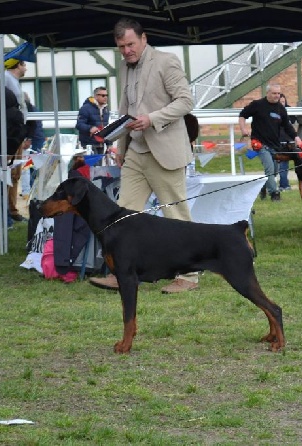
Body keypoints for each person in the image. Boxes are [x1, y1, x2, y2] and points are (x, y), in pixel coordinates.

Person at [89, 18, 198, 294]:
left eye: (130, 44)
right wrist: (121, 149)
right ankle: (122, 273)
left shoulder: (167, 61)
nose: (126, 51)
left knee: (175, 215)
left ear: (144, 38)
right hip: (135, 152)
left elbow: (186, 101)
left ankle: (189, 275)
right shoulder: (123, 68)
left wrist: (152, 119)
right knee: (122, 217)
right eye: (121, 46)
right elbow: (125, 111)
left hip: (165, 151)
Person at [238, 84, 301, 201]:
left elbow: (287, 125)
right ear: (267, 93)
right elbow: (242, 115)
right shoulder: (257, 105)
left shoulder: (280, 108)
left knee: (274, 171)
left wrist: (296, 137)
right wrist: (243, 129)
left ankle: (263, 187)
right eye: (274, 93)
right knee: (270, 169)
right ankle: (275, 194)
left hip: (275, 145)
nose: (277, 96)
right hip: (259, 144)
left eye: (278, 93)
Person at [3, 59, 29, 222]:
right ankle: (7, 209)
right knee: (9, 173)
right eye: (24, 64)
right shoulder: (6, 78)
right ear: (17, 65)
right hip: (11, 132)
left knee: (16, 174)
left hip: (18, 131)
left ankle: (12, 208)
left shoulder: (13, 81)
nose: (26, 68)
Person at [76, 86, 110, 155]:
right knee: (93, 165)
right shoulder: (85, 108)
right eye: (103, 95)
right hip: (89, 144)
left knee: (99, 165)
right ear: (96, 96)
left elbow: (106, 128)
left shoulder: (105, 109)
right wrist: (90, 128)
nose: (105, 97)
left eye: (107, 95)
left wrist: (109, 144)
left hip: (101, 144)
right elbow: (79, 125)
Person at [277, 93, 297, 191]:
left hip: (287, 142)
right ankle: (274, 185)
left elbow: (293, 121)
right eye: (280, 102)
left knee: (284, 164)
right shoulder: (272, 111)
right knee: (275, 165)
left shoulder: (289, 110)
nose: (282, 103)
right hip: (276, 141)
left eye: (283, 102)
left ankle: (284, 184)